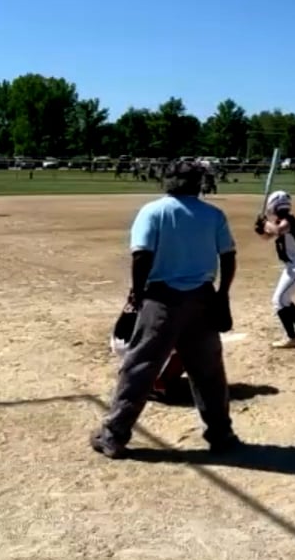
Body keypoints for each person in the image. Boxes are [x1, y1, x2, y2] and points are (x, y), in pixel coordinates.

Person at [92, 159, 241, 459]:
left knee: (140, 368)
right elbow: (228, 256)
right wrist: (222, 295)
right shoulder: (213, 214)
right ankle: (221, 435)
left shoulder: (153, 211)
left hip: (161, 300)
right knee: (209, 372)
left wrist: (136, 295)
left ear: (167, 182)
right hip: (202, 299)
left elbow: (142, 256)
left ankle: (113, 435)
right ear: (199, 184)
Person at [257, 190, 295, 347]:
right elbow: (267, 236)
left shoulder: (288, 221)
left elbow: (278, 230)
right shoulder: (281, 221)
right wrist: (260, 228)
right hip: (293, 266)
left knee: (279, 301)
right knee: (284, 299)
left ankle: (292, 338)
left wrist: (265, 223)